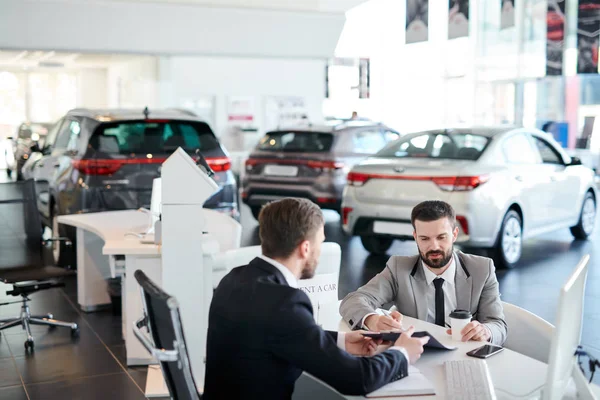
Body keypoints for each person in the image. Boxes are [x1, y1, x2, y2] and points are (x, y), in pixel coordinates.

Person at [204, 198, 430, 399]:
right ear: (305, 248)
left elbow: (279, 333)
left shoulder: (234, 279)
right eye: (320, 242)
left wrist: (341, 341)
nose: (319, 251)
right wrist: (402, 354)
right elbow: (356, 379)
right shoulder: (285, 303)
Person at [340, 200, 507, 346]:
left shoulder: (482, 269)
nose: (434, 246)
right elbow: (353, 300)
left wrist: (486, 331)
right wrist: (372, 320)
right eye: (425, 239)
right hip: (417, 354)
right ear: (415, 237)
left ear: (454, 234)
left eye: (441, 237)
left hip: (465, 354)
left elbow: (497, 324)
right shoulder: (399, 268)